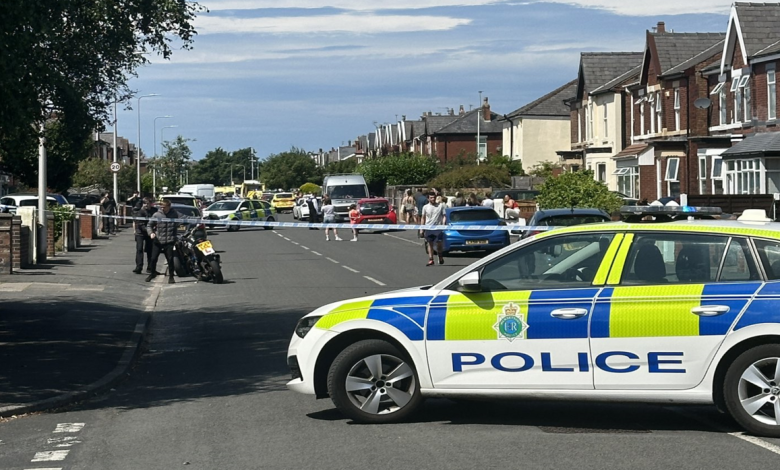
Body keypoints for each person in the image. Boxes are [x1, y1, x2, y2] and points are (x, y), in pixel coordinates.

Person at [145, 200, 179, 284]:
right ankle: (152, 273)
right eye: (161, 207)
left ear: (169, 206)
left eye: (164, 207)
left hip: (169, 240)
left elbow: (184, 220)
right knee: (153, 258)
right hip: (158, 240)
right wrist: (151, 233)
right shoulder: (157, 214)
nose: (162, 208)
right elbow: (149, 225)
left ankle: (171, 276)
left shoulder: (174, 214)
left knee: (170, 259)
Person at [421, 193, 446, 266]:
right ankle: (431, 259)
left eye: (434, 197)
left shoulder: (440, 206)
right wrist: (422, 229)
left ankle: (440, 256)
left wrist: (443, 224)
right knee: (430, 244)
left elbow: (444, 216)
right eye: (431, 197)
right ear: (428, 199)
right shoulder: (425, 207)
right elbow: (423, 218)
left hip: (438, 229)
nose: (433, 199)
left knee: (439, 244)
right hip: (429, 228)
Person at [132, 198, 156, 274]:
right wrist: (150, 231)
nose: (146, 205)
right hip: (140, 233)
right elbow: (140, 224)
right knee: (139, 249)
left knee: (150, 250)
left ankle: (150, 268)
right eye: (144, 203)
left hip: (150, 233)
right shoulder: (139, 212)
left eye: (147, 203)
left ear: (151, 204)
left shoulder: (154, 211)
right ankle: (139, 267)